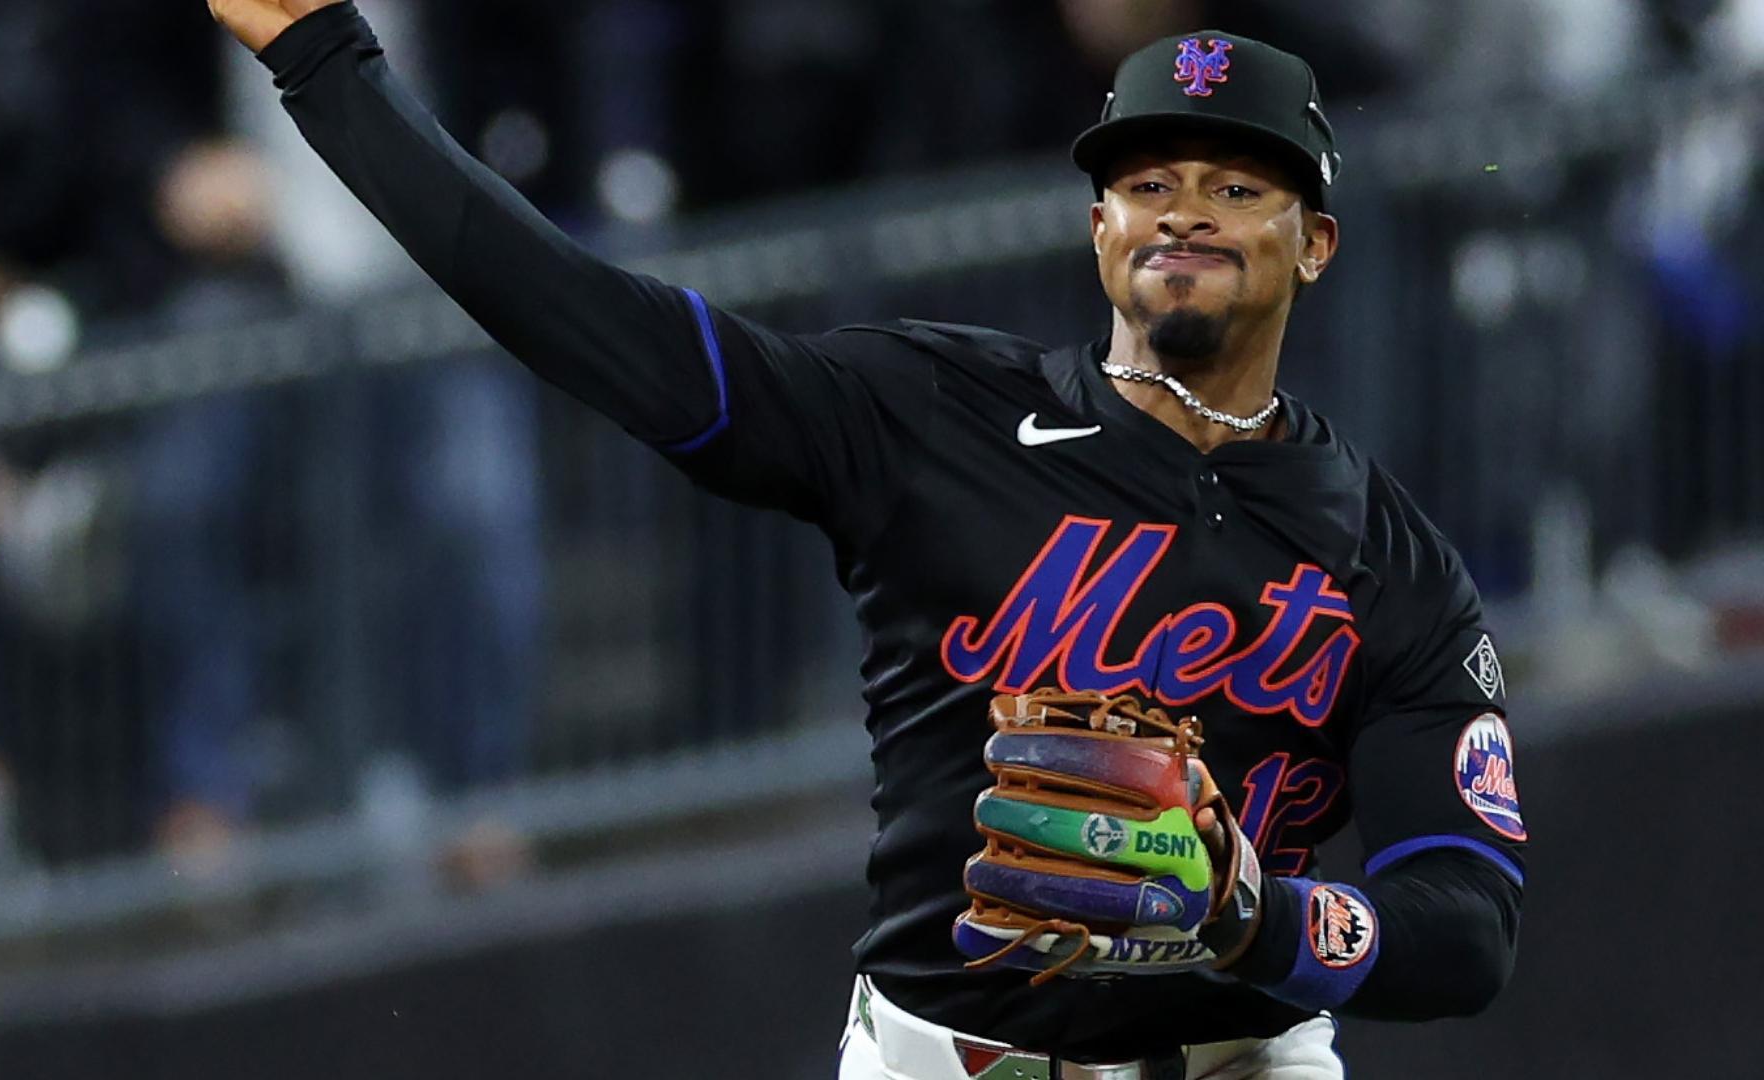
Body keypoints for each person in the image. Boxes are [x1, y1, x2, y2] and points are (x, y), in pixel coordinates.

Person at [208, 3, 1528, 1075]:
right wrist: (330, 64)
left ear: (1316, 243)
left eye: (1236, 183)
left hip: (1236, 1057)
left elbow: (1464, 929)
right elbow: (591, 320)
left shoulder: (1391, 565)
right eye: (1146, 179)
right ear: (1099, 225)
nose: (1183, 210)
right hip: (942, 1059)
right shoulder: (931, 413)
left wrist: (1252, 915)